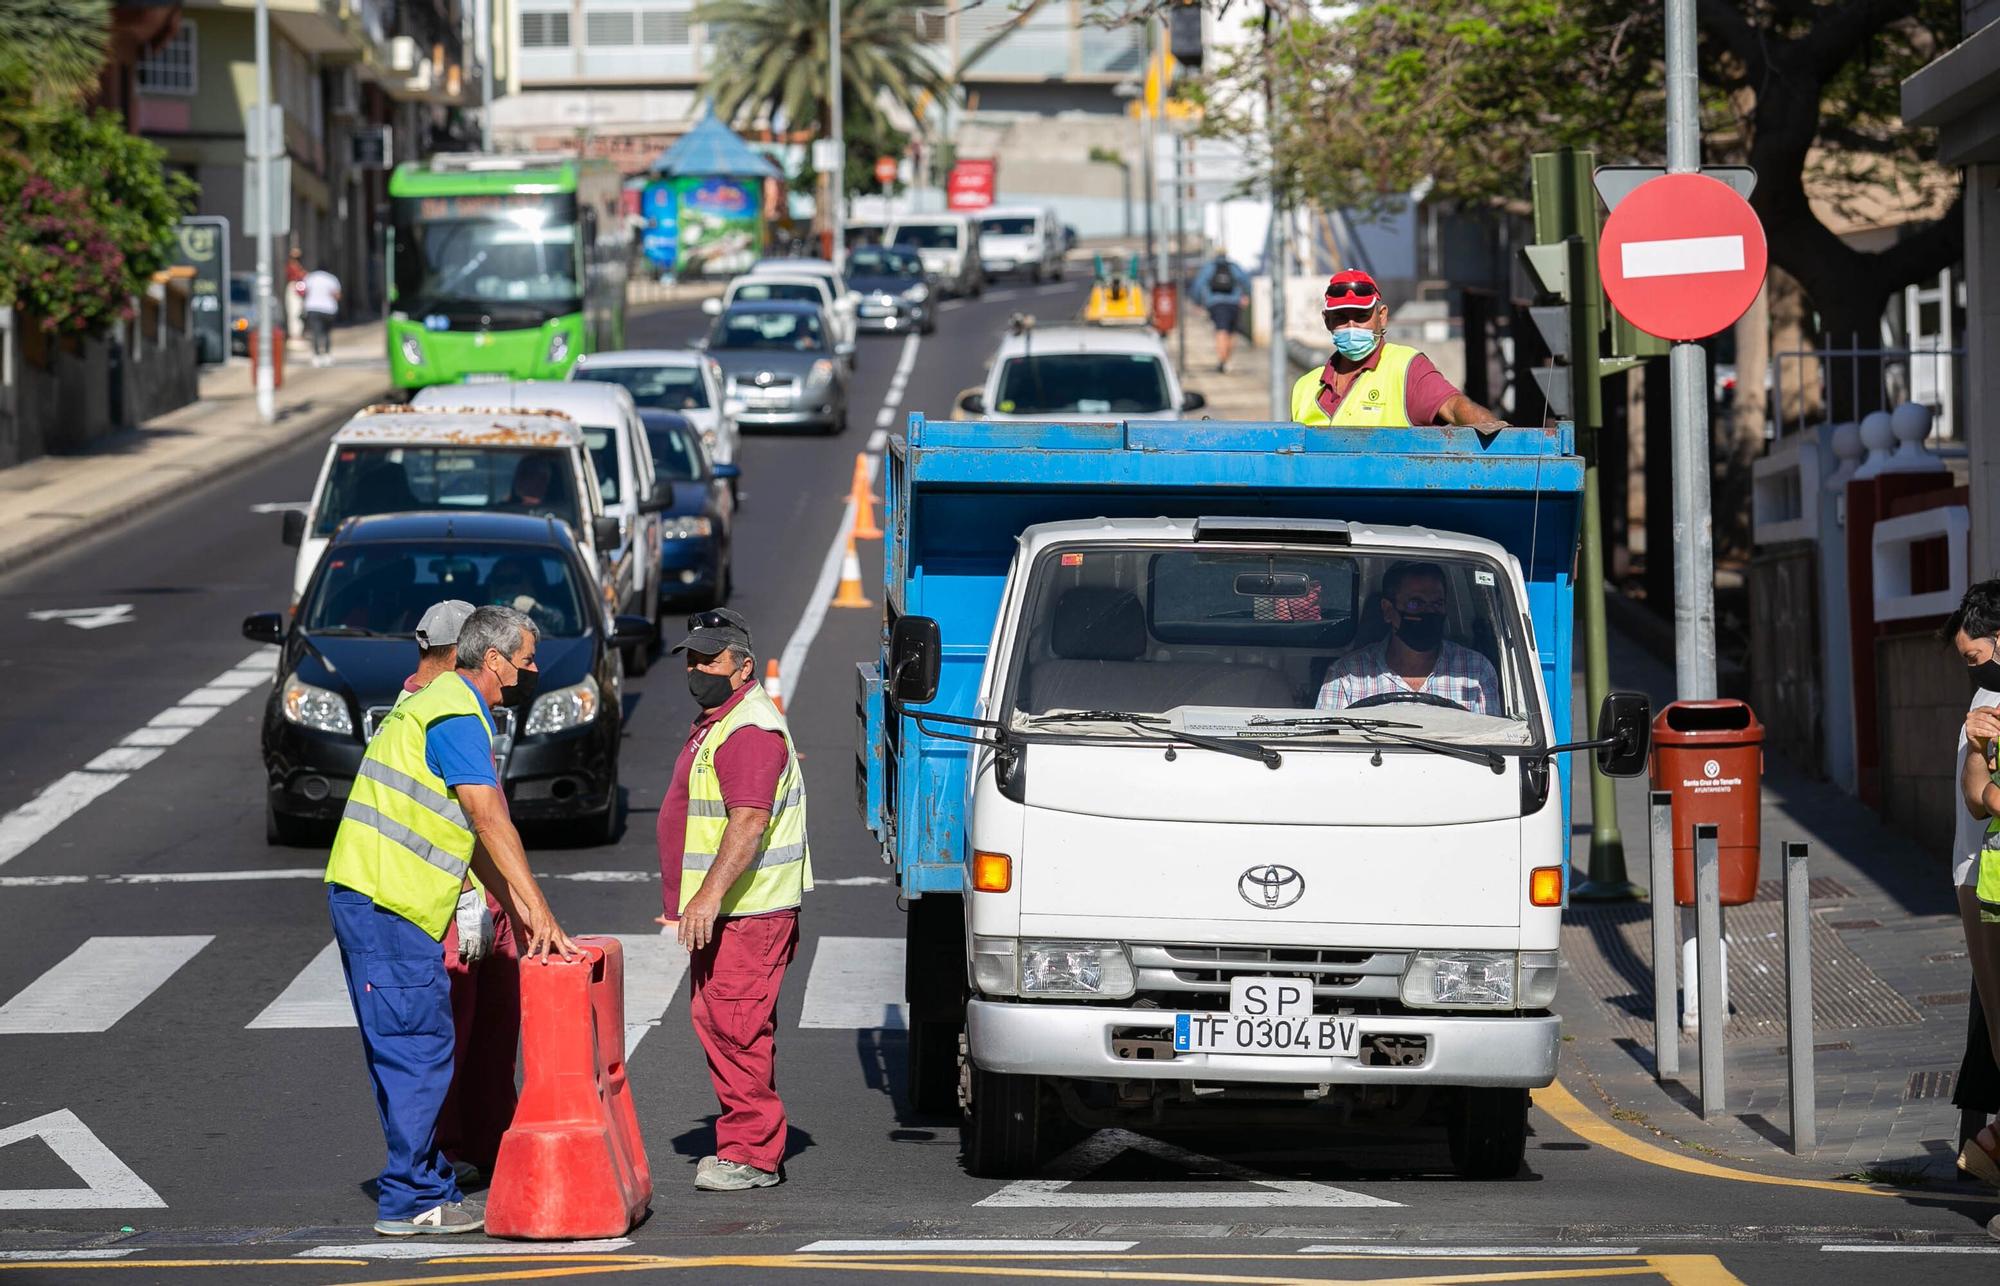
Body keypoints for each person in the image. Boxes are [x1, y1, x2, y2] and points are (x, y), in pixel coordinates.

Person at [324, 605, 575, 1236]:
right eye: (525, 660)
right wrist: (538, 909)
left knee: (406, 1046)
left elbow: (471, 841)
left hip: (373, 896)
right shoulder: (459, 713)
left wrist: (522, 914)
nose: (532, 671)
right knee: (419, 1049)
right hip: (391, 903)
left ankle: (422, 1176)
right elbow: (490, 821)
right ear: (493, 661)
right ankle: (413, 1199)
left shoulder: (433, 701)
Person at [655, 608, 813, 1192]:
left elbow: (746, 824)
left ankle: (751, 1152)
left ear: (743, 667)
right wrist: (689, 899)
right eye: (692, 658)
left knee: (735, 1025)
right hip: (732, 910)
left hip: (749, 911)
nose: (697, 668)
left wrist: (706, 897)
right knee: (721, 1019)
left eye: (710, 658)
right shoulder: (722, 720)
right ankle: (747, 1141)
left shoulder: (747, 730)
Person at [396, 598, 519, 1190]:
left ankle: (492, 1144)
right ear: (457, 654)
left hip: (479, 900)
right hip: (452, 904)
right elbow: (456, 822)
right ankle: (447, 1152)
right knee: (450, 1039)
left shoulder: (452, 705)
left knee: (493, 1038)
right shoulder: (431, 710)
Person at [1290, 269, 1506, 430]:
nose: (1352, 327)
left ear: (1381, 316)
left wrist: (1505, 438)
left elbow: (1454, 407)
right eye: (1341, 318)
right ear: (1327, 321)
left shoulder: (1406, 368)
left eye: (1361, 316)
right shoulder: (1305, 387)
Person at [1945, 580, 2000, 1201]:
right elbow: (1974, 796)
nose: (1974, 673)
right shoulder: (1986, 702)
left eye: (1975, 657)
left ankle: (1984, 1147)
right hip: (1979, 876)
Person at [1317, 561, 1501, 716]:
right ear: (1388, 610)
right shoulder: (1346, 676)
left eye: (1437, 603)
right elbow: (1324, 748)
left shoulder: (1476, 671)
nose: (1429, 612)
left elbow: (1494, 748)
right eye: (1415, 603)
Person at [1190, 254, 1248, 373]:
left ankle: (1223, 361)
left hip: (1215, 303)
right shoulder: (1234, 267)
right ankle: (1227, 359)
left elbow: (1198, 285)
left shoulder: (1209, 267)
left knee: (1221, 331)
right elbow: (1246, 281)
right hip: (1234, 303)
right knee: (1232, 332)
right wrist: (1246, 295)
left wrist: (1197, 301)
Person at [302, 264, 342, 367]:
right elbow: (337, 295)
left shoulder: (310, 277)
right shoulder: (332, 279)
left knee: (315, 333)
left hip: (313, 308)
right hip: (328, 309)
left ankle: (316, 355)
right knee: (327, 332)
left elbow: (304, 291)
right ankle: (327, 354)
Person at [285, 248, 307, 341]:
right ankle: (295, 335)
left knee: (299, 311)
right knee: (294, 311)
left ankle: (298, 333)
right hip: (294, 287)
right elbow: (297, 275)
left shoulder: (298, 265)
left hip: (299, 288)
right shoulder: (291, 266)